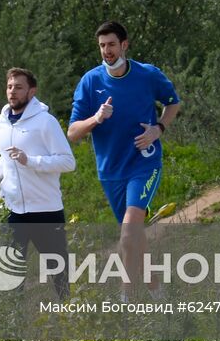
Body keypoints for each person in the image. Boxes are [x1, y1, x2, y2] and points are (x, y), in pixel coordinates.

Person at [68, 20, 181, 299]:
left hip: (144, 162)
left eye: (111, 45)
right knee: (134, 236)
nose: (107, 50)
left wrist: (159, 129)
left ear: (124, 45)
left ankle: (125, 296)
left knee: (129, 232)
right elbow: (72, 133)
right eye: (102, 46)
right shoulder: (90, 81)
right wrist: (96, 118)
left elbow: (173, 102)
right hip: (110, 170)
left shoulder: (147, 75)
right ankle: (156, 288)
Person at [0, 67, 75, 298]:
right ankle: (15, 326)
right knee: (11, 271)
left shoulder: (45, 121)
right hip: (14, 209)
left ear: (31, 92)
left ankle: (69, 320)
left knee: (58, 270)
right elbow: (6, 158)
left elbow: (67, 162)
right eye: (10, 87)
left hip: (45, 209)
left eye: (19, 87)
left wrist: (30, 160)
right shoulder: (1, 122)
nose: (12, 92)